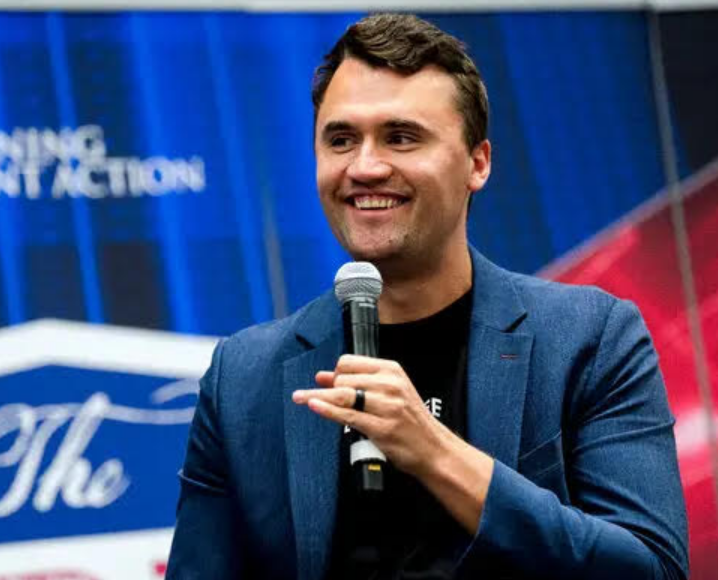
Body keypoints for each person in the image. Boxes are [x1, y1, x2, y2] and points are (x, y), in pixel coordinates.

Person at [166, 13, 689, 580]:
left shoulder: (590, 339)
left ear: (477, 163)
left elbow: (652, 569)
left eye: (401, 137)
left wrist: (434, 451)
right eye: (341, 140)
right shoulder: (244, 377)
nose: (365, 167)